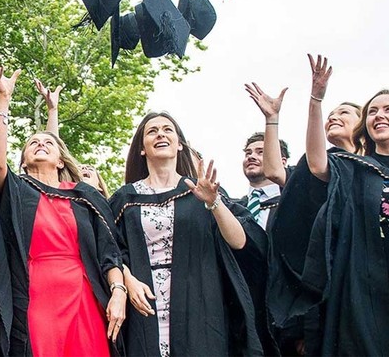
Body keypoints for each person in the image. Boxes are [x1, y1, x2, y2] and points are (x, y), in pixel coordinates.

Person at [0, 55, 126, 356]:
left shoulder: (83, 196)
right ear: (22, 161)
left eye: (48, 144)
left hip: (83, 292)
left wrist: (118, 290)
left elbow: (108, 253)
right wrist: (2, 100)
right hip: (36, 294)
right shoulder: (19, 190)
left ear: (61, 160)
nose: (40, 145)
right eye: (32, 143)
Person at [110, 111, 270, 356]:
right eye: (152, 131)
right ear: (142, 148)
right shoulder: (125, 198)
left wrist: (213, 202)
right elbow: (109, 250)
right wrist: (127, 280)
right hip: (144, 305)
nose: (160, 134)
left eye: (167, 130)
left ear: (180, 145)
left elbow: (240, 242)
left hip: (198, 301)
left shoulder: (200, 190)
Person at [270, 59, 388, 355]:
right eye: (372, 111)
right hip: (366, 294)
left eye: (387, 110)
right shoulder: (355, 168)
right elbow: (316, 162)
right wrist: (316, 101)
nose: (379, 116)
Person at [35, 78, 111, 197]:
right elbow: (54, 148)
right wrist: (52, 110)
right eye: (80, 168)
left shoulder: (108, 211)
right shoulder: (64, 199)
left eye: (90, 169)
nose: (84, 168)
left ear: (100, 186)